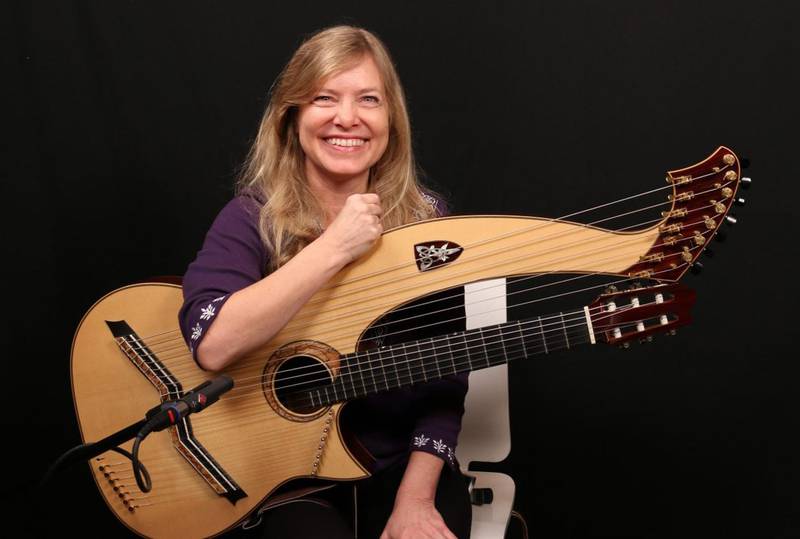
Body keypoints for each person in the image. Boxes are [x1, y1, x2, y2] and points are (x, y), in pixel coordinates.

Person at [179, 26, 472, 539]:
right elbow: (213, 344)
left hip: (397, 465)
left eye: (369, 99)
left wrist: (415, 500)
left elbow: (447, 374)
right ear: (292, 117)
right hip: (285, 477)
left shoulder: (429, 224)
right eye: (324, 98)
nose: (347, 118)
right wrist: (335, 245)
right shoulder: (251, 218)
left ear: (391, 119)